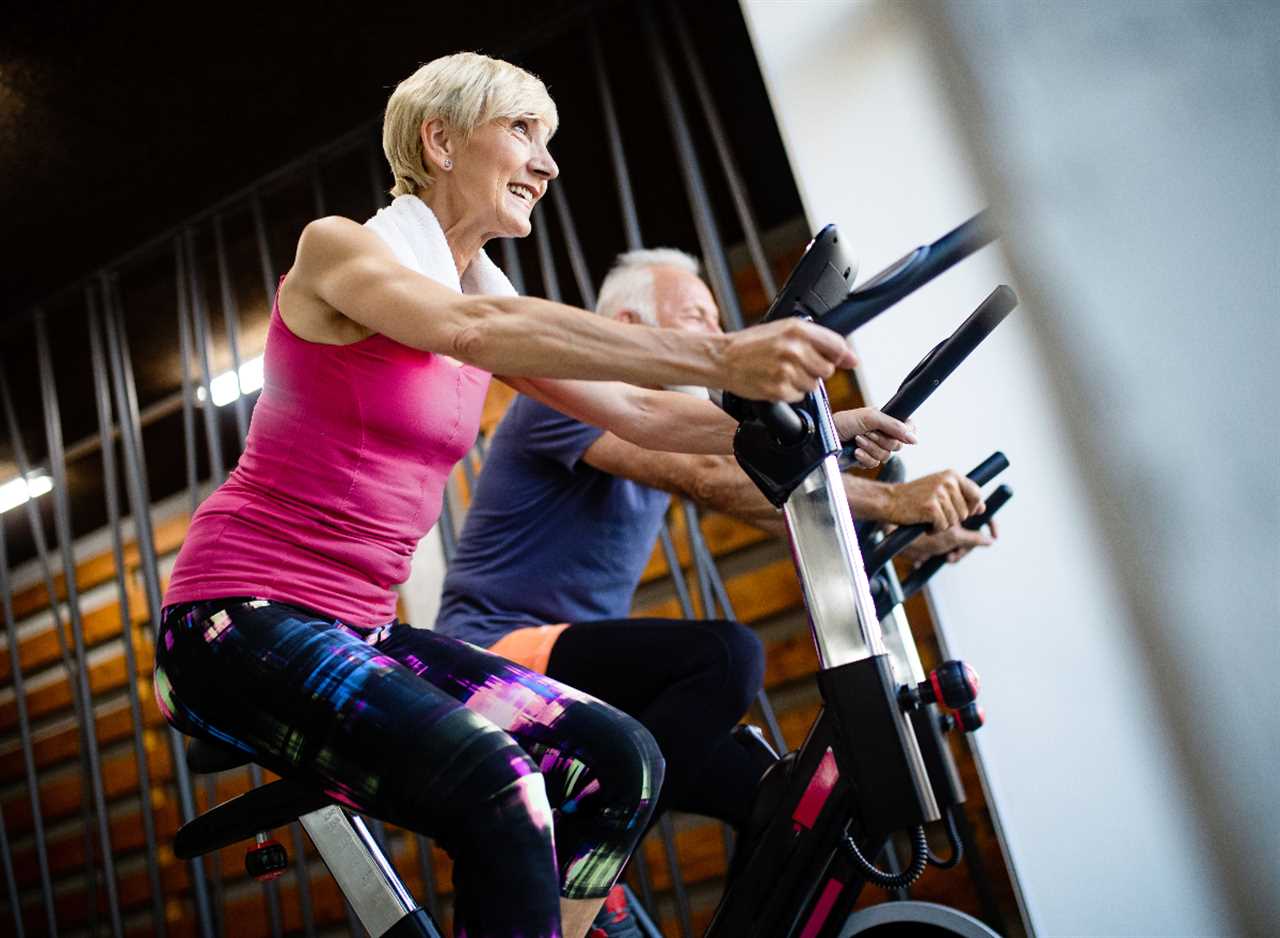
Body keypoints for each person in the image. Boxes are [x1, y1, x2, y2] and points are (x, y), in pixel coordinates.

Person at [152, 53, 911, 938]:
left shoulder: (482, 288)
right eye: (522, 132)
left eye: (547, 142)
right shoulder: (342, 250)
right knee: (504, 784)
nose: (547, 165)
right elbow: (478, 331)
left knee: (621, 761)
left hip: (363, 629)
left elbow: (638, 413)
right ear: (439, 140)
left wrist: (829, 424)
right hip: (235, 620)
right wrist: (722, 356)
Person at [435, 249, 995, 935]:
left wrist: (916, 523)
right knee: (725, 657)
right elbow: (706, 478)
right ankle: (581, 868)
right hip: (491, 660)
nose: (715, 333)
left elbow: (773, 503)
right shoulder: (566, 390)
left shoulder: (656, 421)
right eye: (698, 315)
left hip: (578, 689)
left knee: (782, 802)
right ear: (630, 321)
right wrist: (892, 499)